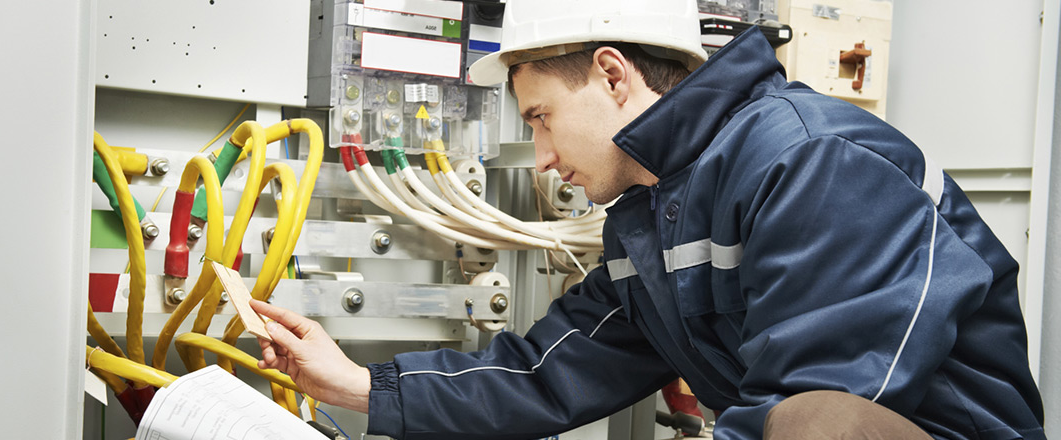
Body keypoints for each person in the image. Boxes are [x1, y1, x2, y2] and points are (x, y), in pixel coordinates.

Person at [248, 0, 1046, 438]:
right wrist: (357, 385)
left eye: (541, 117)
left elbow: (820, 405)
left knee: (818, 423)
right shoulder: (653, 219)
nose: (542, 154)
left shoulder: (808, 161)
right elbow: (547, 371)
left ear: (613, 75)